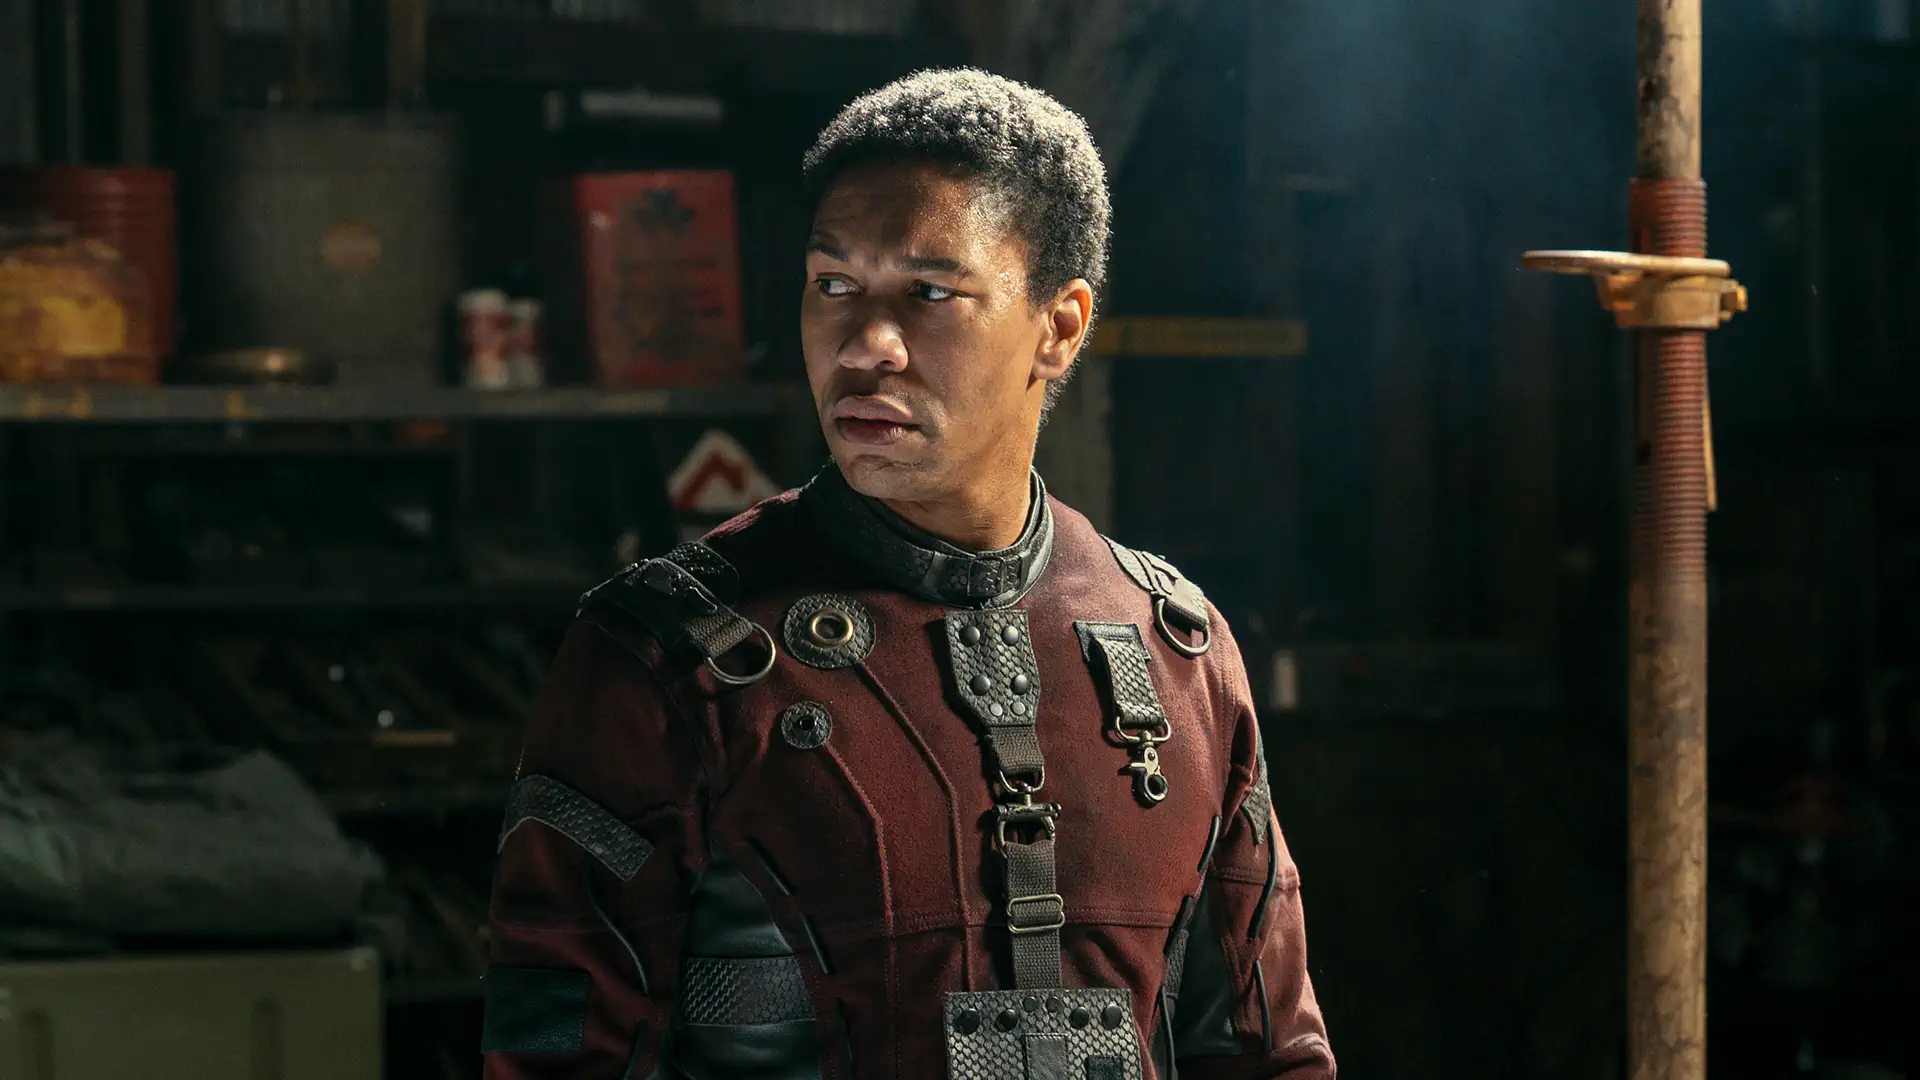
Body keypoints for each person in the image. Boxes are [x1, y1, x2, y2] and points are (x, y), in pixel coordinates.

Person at [482, 68, 1335, 1080]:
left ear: (1059, 326)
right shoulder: (660, 658)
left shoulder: (1177, 651)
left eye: (931, 293)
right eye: (834, 285)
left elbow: (1269, 1051)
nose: (865, 345)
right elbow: (551, 1053)